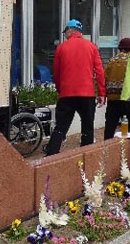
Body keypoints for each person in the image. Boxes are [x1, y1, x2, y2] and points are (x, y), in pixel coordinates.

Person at [44, 19, 106, 156]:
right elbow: (100, 71)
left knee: (61, 127)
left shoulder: (61, 48)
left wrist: (60, 90)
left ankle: (50, 156)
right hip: (87, 94)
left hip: (67, 94)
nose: (65, 34)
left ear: (70, 30)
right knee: (88, 127)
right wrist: (102, 93)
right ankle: (86, 156)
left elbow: (56, 73)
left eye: (65, 32)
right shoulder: (91, 47)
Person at [103, 38, 130, 139]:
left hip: (112, 97)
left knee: (110, 124)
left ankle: (107, 144)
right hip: (127, 97)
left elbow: (105, 77)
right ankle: (129, 144)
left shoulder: (112, 60)